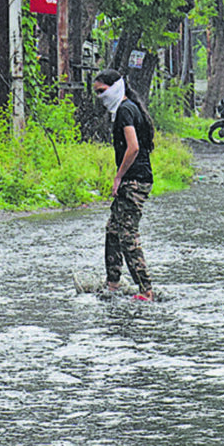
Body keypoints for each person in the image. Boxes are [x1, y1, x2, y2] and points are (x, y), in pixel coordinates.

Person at [93, 69, 156, 301]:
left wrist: (119, 176)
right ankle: (113, 283)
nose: (100, 97)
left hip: (134, 180)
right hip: (135, 179)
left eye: (102, 91)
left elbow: (134, 147)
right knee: (113, 230)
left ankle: (146, 290)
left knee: (127, 234)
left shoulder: (125, 110)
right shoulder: (128, 108)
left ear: (115, 87)